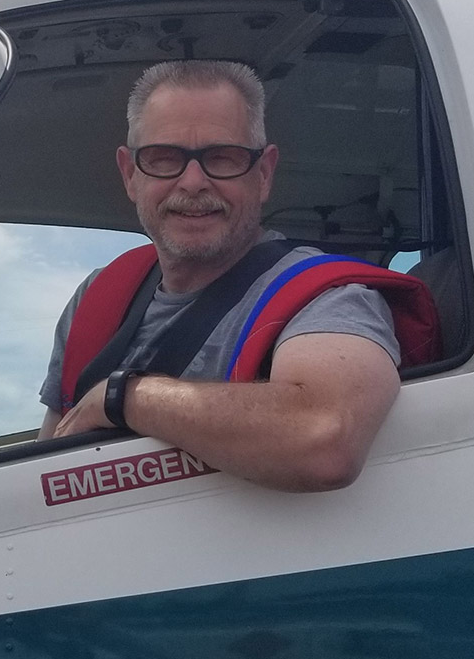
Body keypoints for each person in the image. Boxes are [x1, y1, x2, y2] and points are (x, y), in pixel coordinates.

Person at [38, 60, 404, 492]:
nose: (193, 182)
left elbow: (325, 439)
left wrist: (126, 397)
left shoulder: (329, 299)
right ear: (130, 174)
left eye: (222, 158)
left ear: (264, 174)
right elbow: (44, 473)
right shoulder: (96, 300)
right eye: (164, 158)